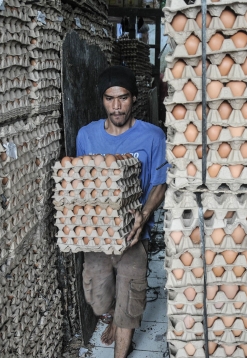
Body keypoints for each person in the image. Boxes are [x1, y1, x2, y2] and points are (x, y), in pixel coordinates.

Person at [75, 65, 168, 358]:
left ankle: (121, 345)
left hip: (133, 232)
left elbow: (160, 183)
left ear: (134, 98)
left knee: (131, 297)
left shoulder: (152, 136)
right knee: (98, 297)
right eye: (110, 98)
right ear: (102, 100)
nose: (117, 106)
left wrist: (144, 214)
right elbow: (80, 180)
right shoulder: (86, 136)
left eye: (123, 97)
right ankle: (112, 316)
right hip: (98, 235)